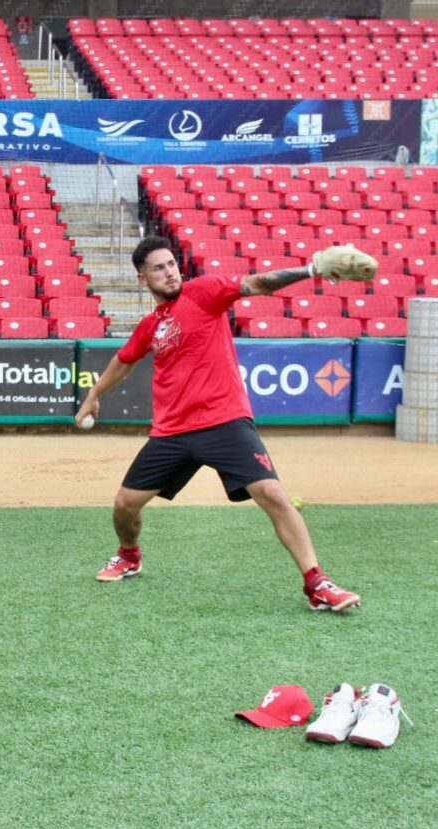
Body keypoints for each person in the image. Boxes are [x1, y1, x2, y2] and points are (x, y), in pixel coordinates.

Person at [74, 235, 374, 612]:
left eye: (171, 264)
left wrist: (311, 270)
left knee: (274, 496)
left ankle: (318, 583)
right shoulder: (152, 325)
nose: (169, 273)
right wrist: (93, 395)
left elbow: (257, 283)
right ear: (142, 279)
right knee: (124, 506)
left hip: (225, 421)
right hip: (172, 431)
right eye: (158, 268)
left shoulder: (204, 292)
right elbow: (124, 359)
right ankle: (129, 555)